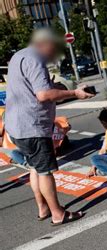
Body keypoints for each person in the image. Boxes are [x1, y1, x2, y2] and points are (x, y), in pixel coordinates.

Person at [4, 28, 94, 225]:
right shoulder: (35, 59)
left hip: (17, 126)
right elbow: (43, 95)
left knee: (36, 168)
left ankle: (43, 208)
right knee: (45, 171)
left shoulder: (19, 55)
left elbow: (31, 88)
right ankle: (57, 213)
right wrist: (74, 93)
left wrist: (53, 88)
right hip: (32, 126)